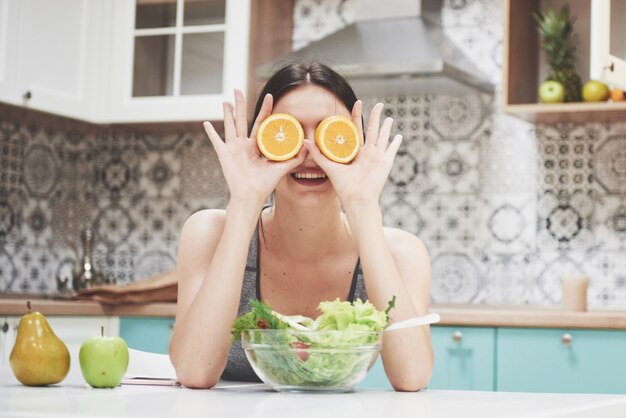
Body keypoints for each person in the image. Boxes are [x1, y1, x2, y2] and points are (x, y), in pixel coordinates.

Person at [169, 62, 433, 391]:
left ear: (353, 145)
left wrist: (363, 206)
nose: (309, 152)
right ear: (262, 142)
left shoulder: (401, 252)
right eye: (288, 132)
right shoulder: (208, 232)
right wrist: (245, 201)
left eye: (329, 134)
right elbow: (194, 372)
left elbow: (412, 378)